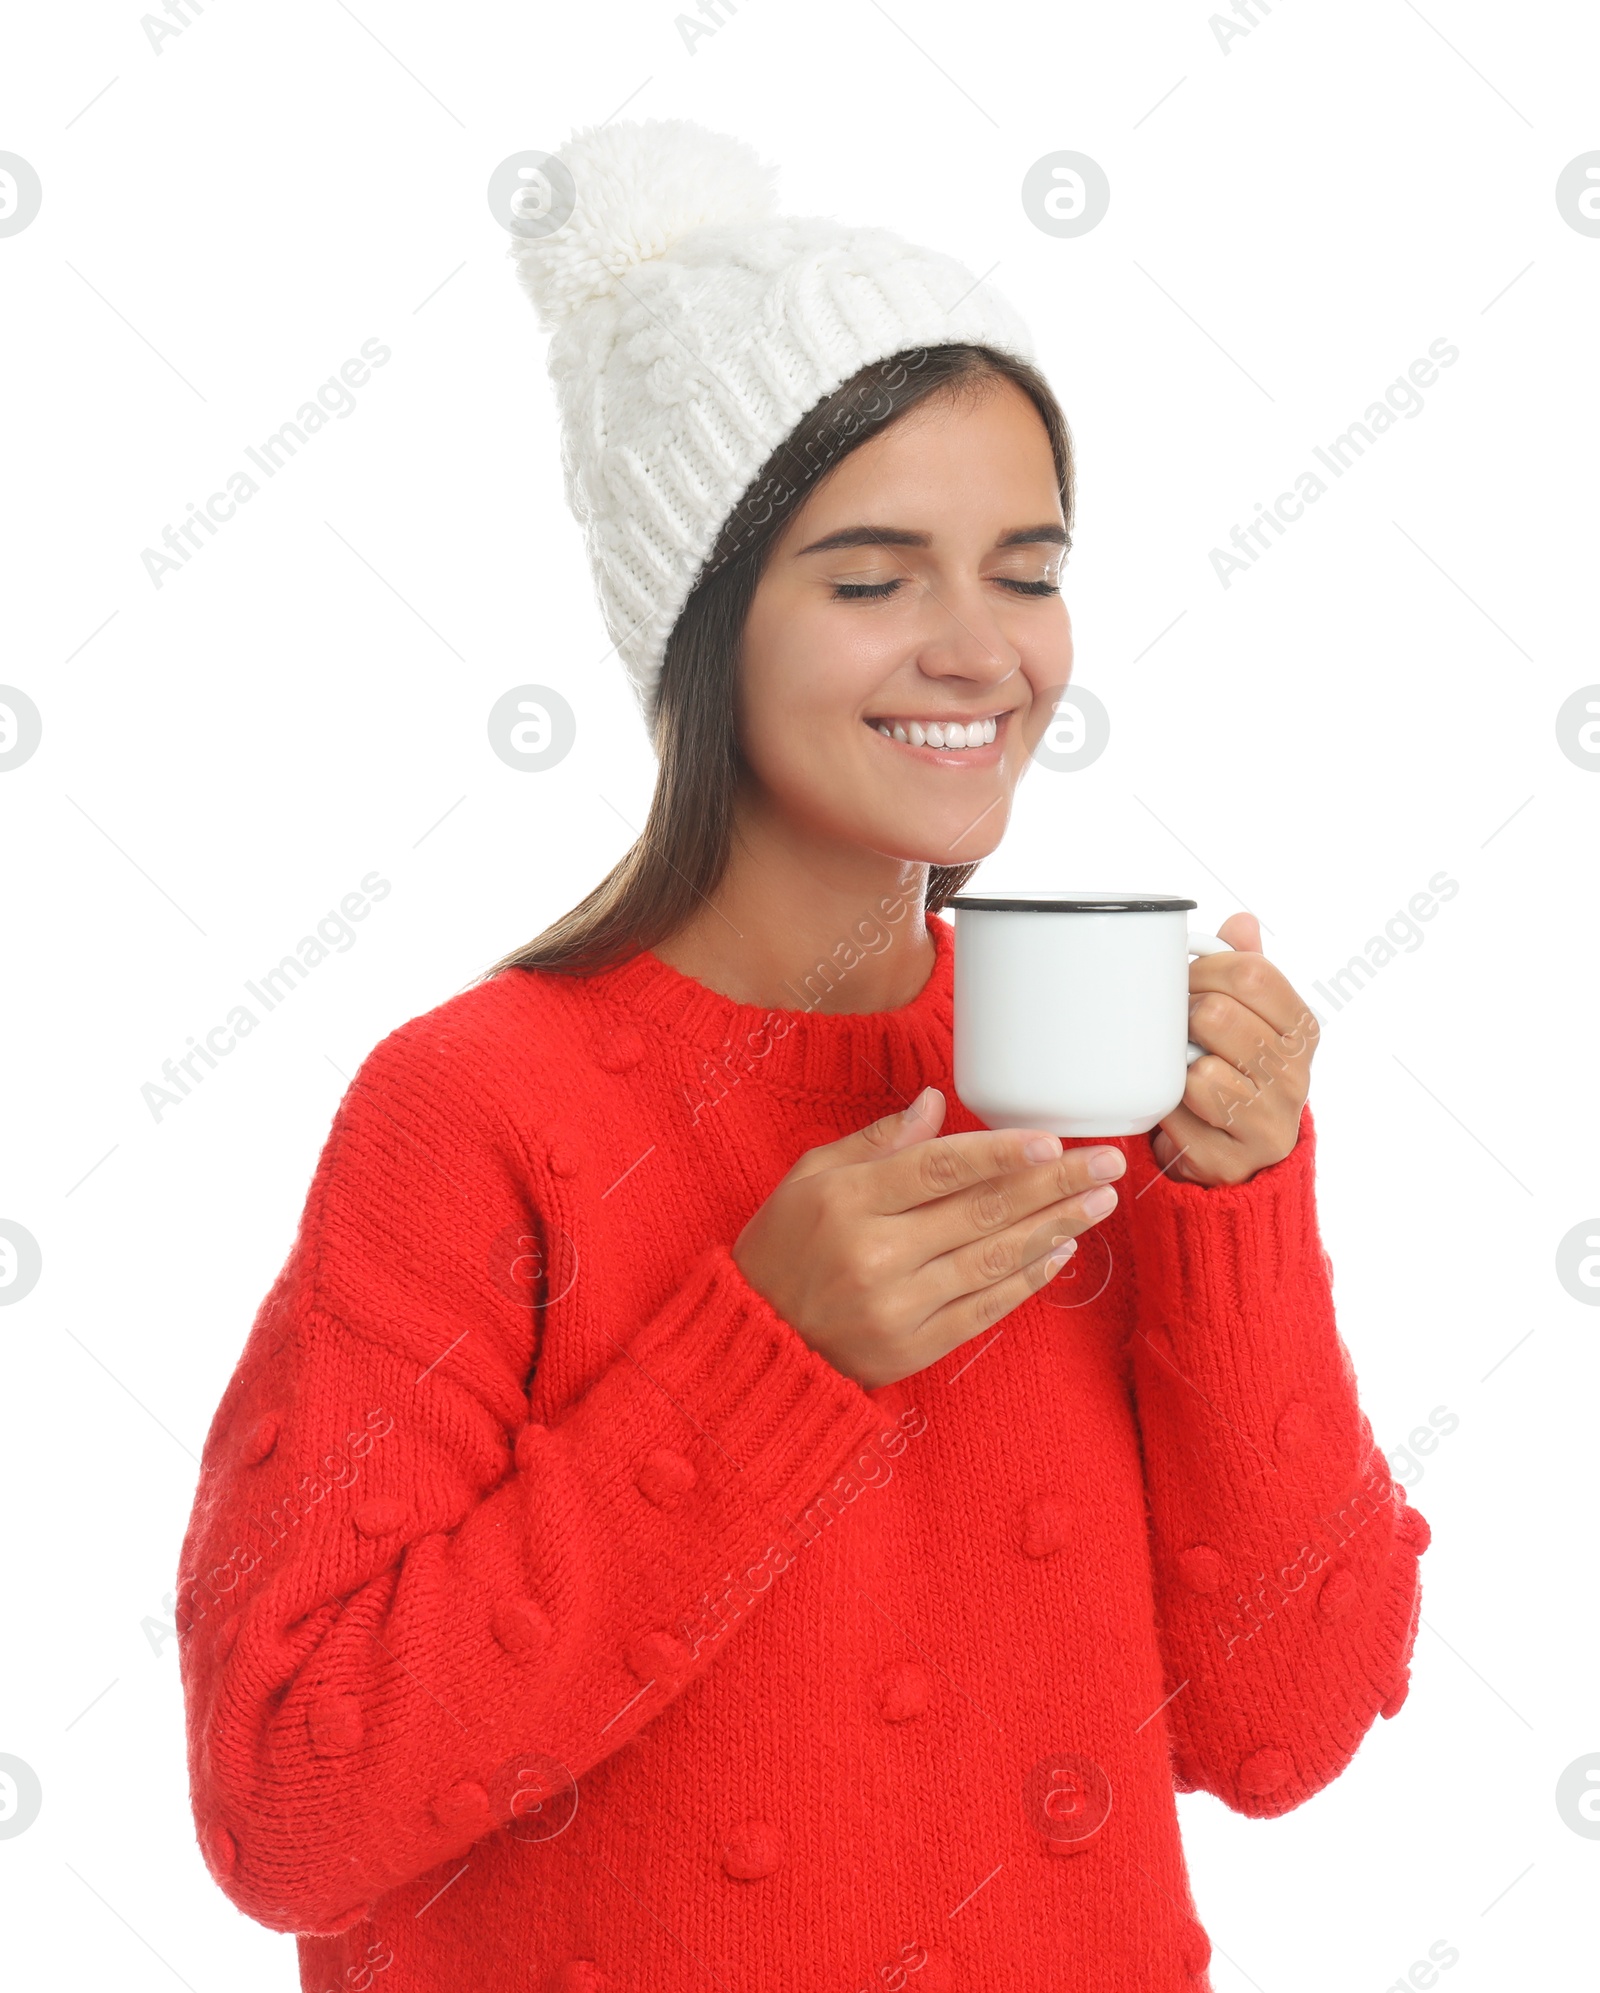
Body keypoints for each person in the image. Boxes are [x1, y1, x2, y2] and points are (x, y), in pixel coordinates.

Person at [175, 117, 1429, 1992]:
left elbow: (1280, 1724)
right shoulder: (473, 1108)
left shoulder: (1083, 1082)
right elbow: (288, 1801)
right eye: (870, 577)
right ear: (705, 627)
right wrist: (761, 1360)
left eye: (1026, 566)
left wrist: (1237, 1208)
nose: (979, 649)